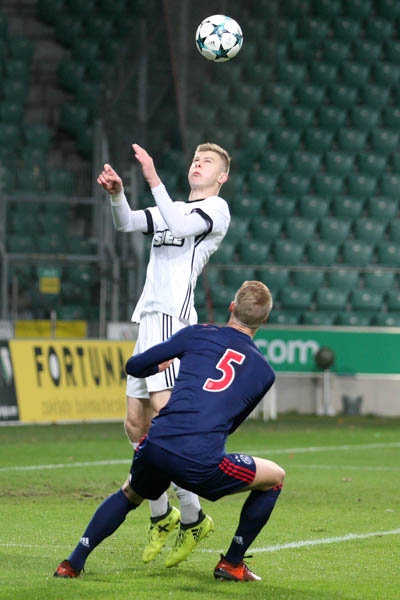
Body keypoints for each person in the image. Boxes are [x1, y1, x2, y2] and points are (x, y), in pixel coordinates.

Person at [54, 280, 285, 582]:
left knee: (129, 494)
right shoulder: (264, 372)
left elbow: (134, 366)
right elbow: (232, 424)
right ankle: (231, 563)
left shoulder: (196, 333)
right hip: (201, 460)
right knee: (275, 478)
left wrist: (159, 367)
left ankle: (72, 564)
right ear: (265, 320)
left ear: (231, 307)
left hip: (158, 444)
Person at [96, 142, 231, 565]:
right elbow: (129, 223)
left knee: (165, 425)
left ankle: (193, 518)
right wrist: (118, 193)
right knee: (136, 426)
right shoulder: (172, 207)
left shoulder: (217, 210)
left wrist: (152, 175)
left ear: (221, 176)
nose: (198, 164)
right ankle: (164, 515)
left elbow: (175, 221)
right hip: (149, 320)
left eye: (207, 161)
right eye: (194, 158)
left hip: (173, 323)